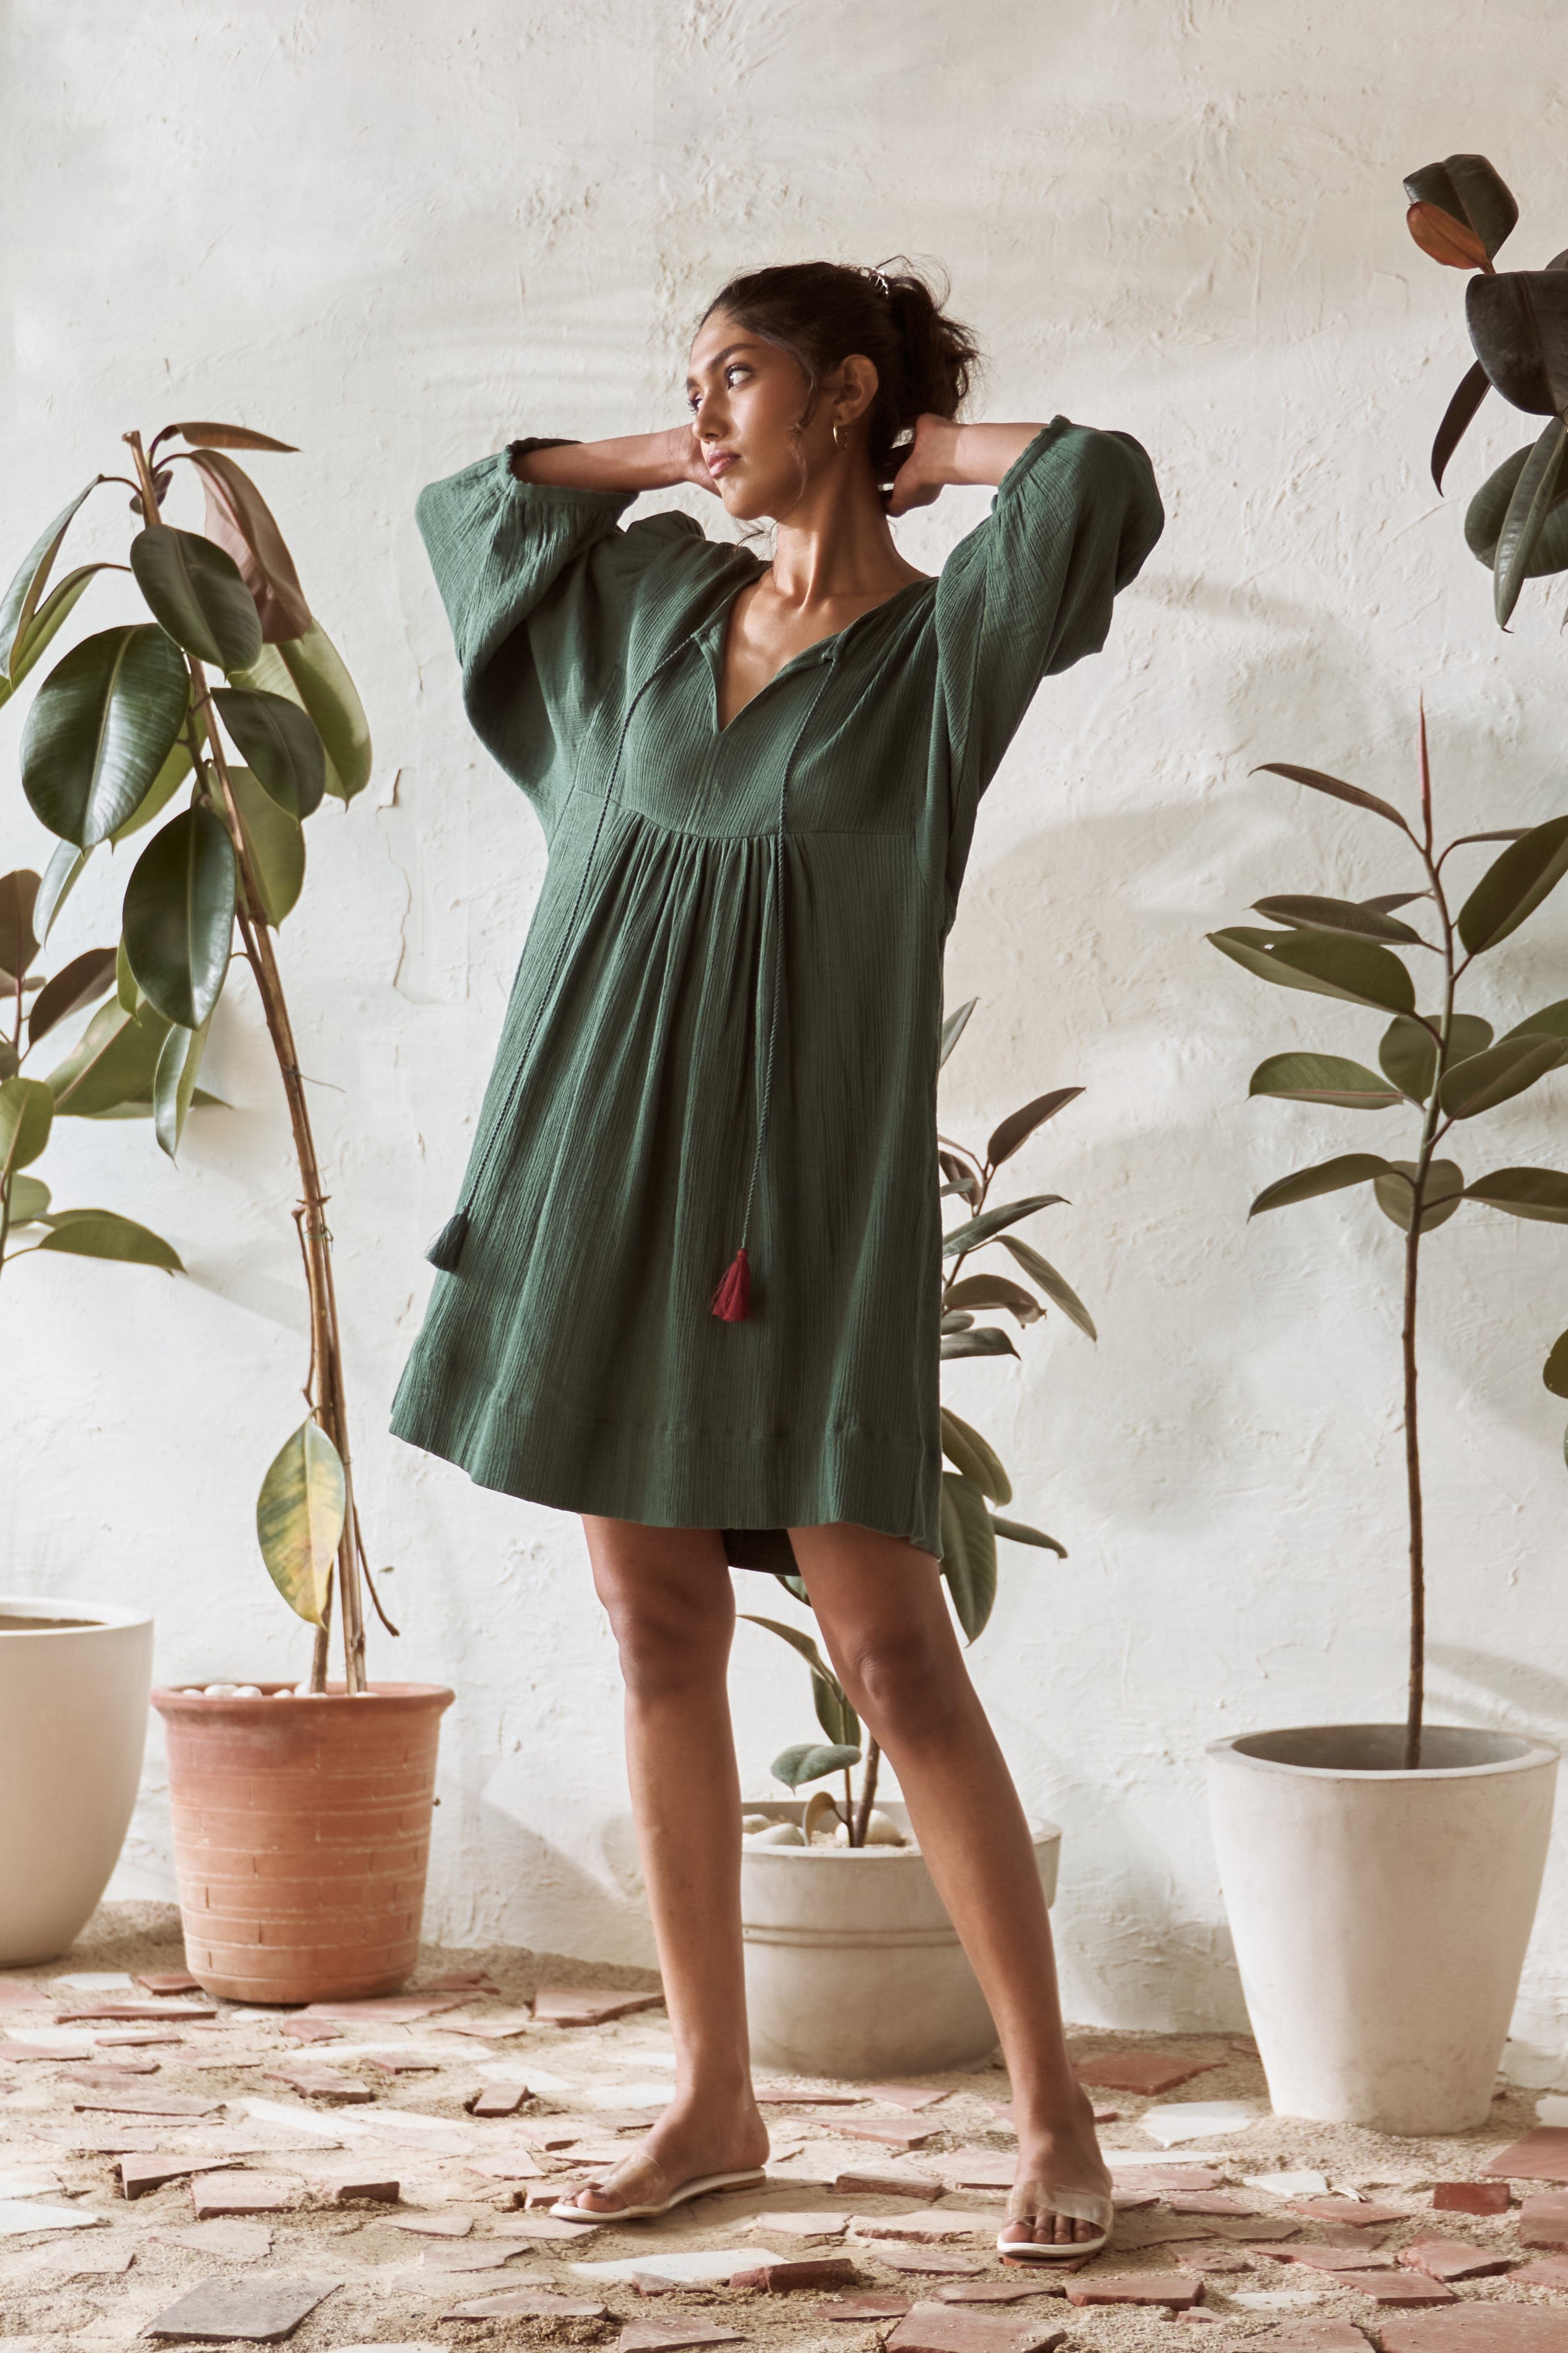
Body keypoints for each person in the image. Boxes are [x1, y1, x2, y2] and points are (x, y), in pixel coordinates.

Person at [393, 258, 1164, 2256]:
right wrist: (679, 446)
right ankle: (711, 2096)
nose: (700, 410)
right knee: (651, 1626)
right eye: (691, 380)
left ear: (842, 392)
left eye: (738, 376)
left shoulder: (939, 657)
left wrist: (919, 448)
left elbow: (1093, 485)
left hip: (798, 1201)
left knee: (890, 1645)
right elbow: (473, 511)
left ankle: (1052, 2111)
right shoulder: (653, 606)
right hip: (599, 1170)